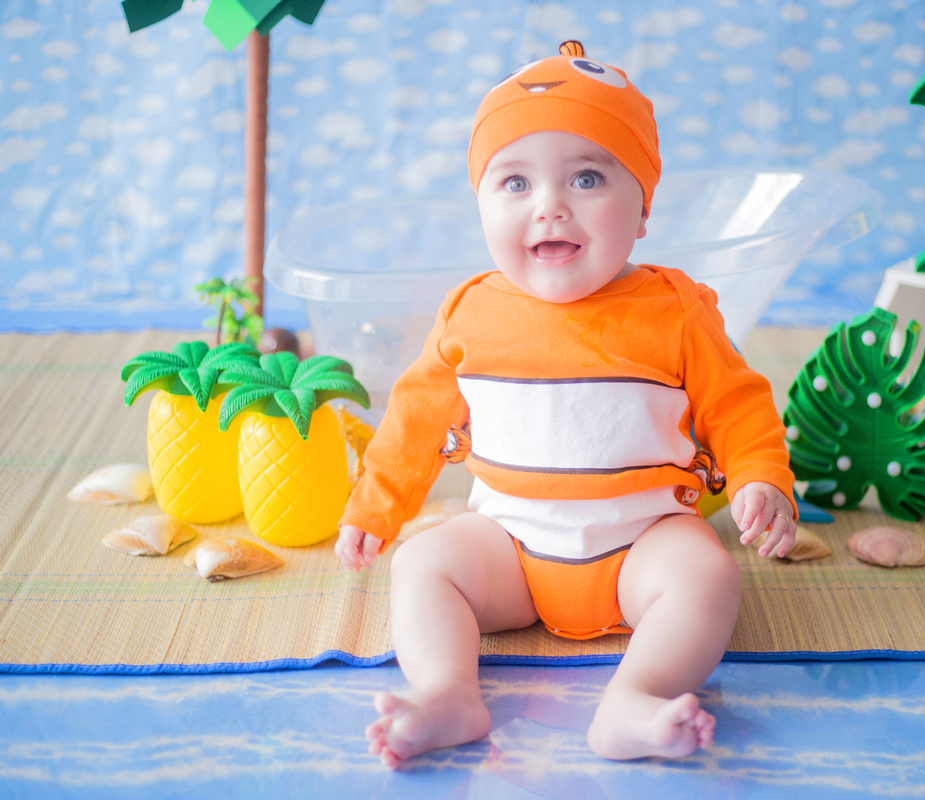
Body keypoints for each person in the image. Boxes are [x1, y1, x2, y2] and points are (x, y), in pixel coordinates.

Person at [335, 40, 797, 767]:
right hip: (511, 552)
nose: (550, 206)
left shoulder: (675, 310)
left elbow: (738, 406)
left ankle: (636, 695)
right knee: (423, 564)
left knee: (708, 575)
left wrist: (761, 477)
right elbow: (414, 420)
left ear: (642, 208)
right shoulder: (470, 313)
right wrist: (374, 507)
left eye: (587, 177)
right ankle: (449, 692)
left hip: (642, 546)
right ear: (481, 204)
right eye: (515, 182)